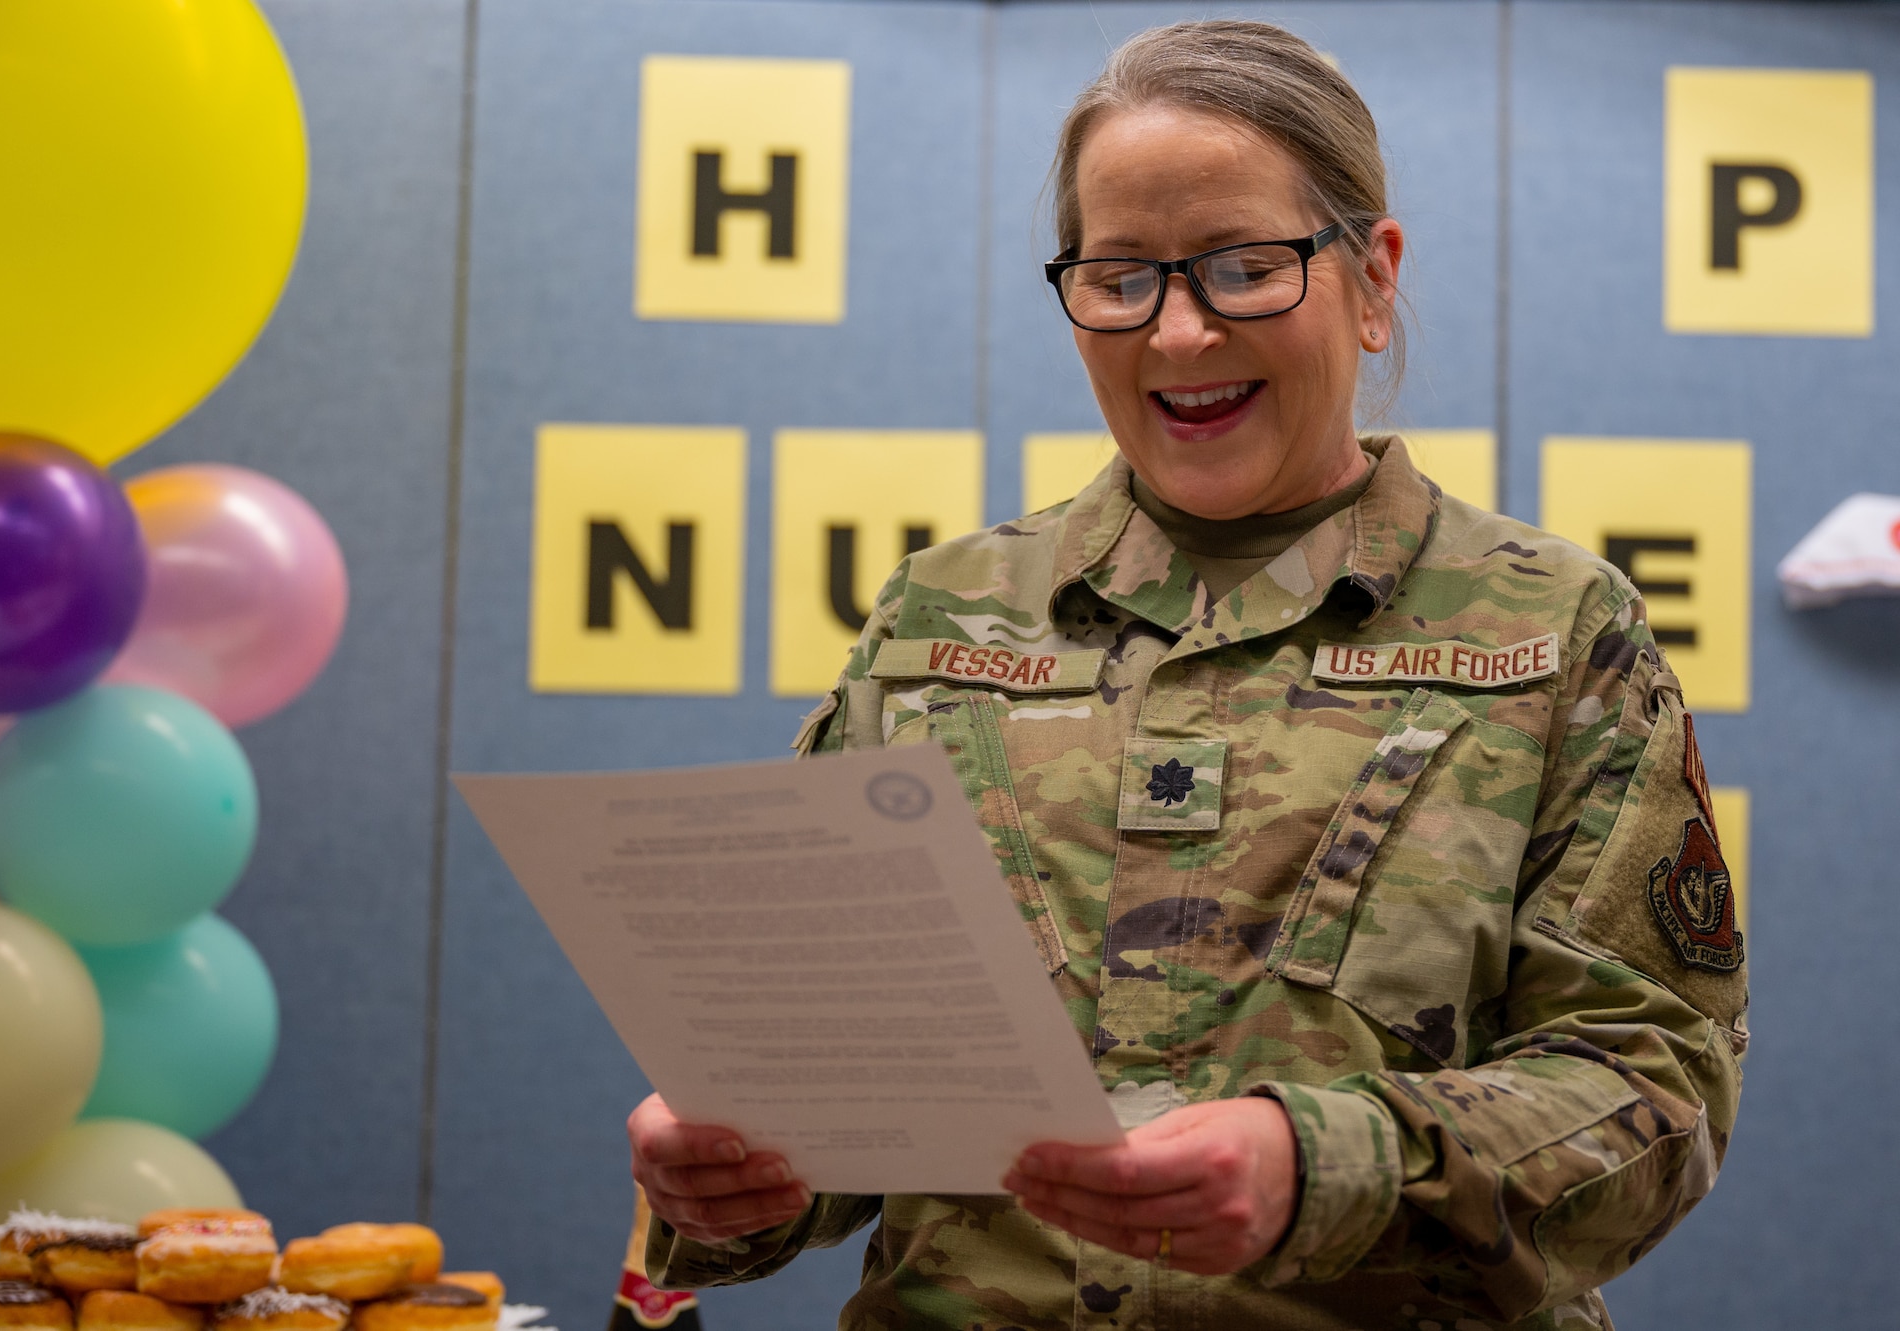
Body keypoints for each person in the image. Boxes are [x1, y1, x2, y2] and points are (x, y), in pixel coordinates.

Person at [626, 19, 1747, 1330]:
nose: (1179, 334)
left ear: (1372, 281)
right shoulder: (942, 625)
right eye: (1120, 278)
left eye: (1244, 267)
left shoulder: (1556, 633)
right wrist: (745, 1170)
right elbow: (831, 1081)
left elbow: (1654, 1086)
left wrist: (1320, 1169)